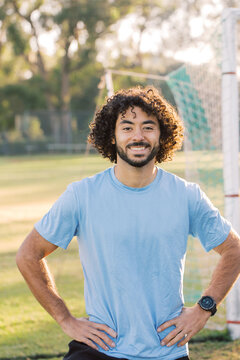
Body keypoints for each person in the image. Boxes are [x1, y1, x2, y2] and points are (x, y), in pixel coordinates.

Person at [16, 86, 240, 360]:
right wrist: (65, 319)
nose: (138, 136)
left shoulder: (186, 195)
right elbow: (28, 254)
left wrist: (204, 309)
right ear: (112, 135)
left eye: (148, 127)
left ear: (162, 135)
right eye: (127, 127)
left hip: (166, 350)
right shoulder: (82, 195)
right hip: (99, 349)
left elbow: (234, 249)